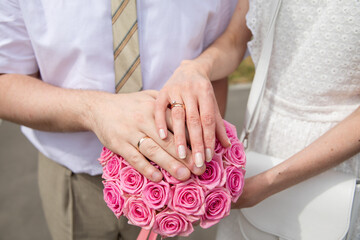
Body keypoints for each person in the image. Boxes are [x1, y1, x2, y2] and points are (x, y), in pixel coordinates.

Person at [0, 1, 238, 239]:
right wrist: (93, 110)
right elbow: (6, 79)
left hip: (177, 179)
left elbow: (224, 46)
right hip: (76, 180)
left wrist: (201, 163)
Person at [157, 0, 360, 239]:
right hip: (259, 142)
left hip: (337, 157)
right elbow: (235, 40)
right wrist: (198, 67)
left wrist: (267, 183)